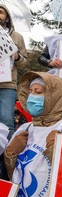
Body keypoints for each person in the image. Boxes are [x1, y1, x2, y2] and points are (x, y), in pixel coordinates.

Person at [0, 4, 29, 139]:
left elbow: (25, 63)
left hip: (8, 85)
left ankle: (7, 157)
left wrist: (17, 56)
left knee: (6, 121)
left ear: (7, 18)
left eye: (1, 12)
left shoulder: (17, 37)